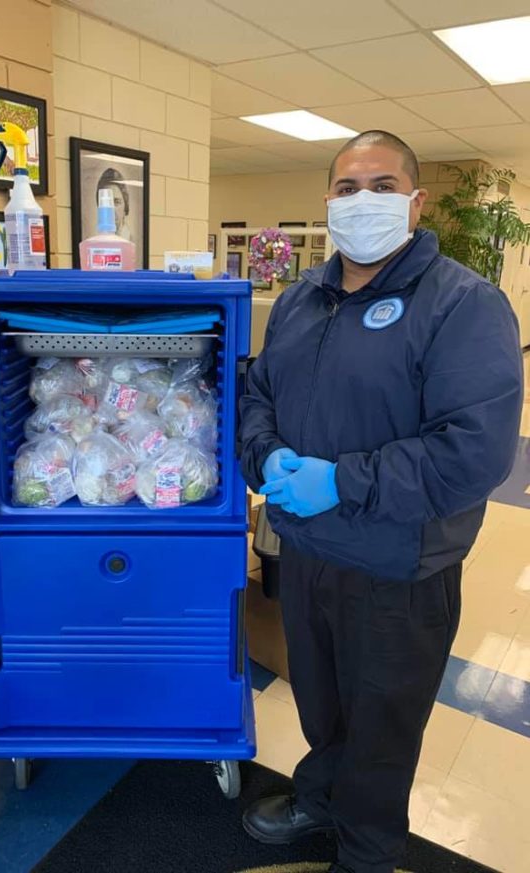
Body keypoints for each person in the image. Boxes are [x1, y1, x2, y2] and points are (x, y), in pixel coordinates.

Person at [239, 130, 523, 873]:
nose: (361, 200)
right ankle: (319, 797)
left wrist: (342, 479)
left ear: (414, 200)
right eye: (345, 188)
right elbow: (256, 393)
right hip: (304, 550)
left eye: (381, 186)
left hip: (397, 567)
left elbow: (472, 452)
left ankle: (366, 855)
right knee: (320, 703)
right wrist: (264, 451)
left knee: (382, 727)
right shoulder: (302, 299)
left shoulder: (463, 304)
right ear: (327, 202)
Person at [97, 168, 132, 242]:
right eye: (106, 203)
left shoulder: (130, 243)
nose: (111, 209)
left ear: (125, 207)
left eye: (116, 202)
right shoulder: (99, 243)